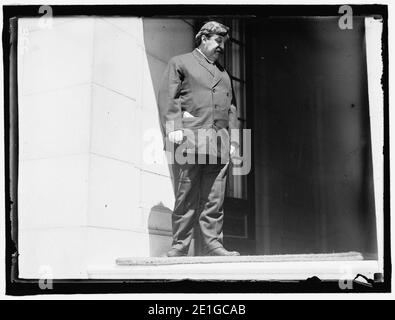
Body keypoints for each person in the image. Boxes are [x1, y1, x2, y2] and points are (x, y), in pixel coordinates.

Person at [157, 21, 240, 257]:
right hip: (190, 139)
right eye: (218, 41)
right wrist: (173, 125)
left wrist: (234, 141)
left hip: (220, 143)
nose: (221, 47)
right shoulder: (180, 62)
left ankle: (214, 244)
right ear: (204, 38)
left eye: (223, 43)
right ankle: (180, 245)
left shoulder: (225, 74)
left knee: (215, 197)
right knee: (186, 193)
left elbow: (231, 108)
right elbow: (168, 96)